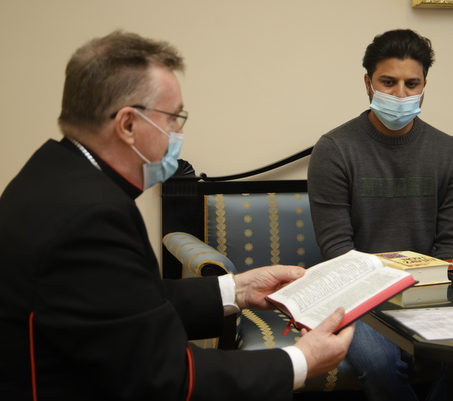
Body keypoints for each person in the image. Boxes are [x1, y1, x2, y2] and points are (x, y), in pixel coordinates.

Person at [0, 30, 354, 401]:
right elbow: (165, 378)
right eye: (173, 118)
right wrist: (300, 361)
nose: (179, 132)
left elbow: (124, 303)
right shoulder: (92, 217)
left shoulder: (55, 173)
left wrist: (239, 290)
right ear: (128, 124)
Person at [308, 29, 453, 401]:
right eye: (388, 82)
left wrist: (433, 299)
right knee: (379, 360)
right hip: (357, 296)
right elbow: (338, 252)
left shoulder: (449, 152)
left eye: (412, 84)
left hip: (430, 291)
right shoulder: (334, 149)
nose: (400, 94)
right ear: (368, 83)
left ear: (424, 87)